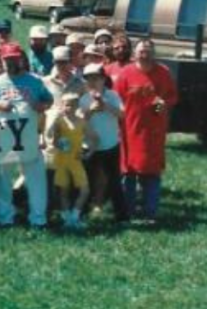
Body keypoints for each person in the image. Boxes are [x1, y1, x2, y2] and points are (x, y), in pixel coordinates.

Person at [0, 43, 54, 228]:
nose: (11, 62)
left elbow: (49, 100)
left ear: (20, 59)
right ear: (2, 60)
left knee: (36, 179)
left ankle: (38, 219)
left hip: (29, 138)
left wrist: (40, 105)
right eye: (7, 59)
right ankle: (5, 218)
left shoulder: (34, 80)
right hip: (4, 139)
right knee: (2, 179)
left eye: (14, 59)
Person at [114, 39, 177, 223]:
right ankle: (128, 211)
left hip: (153, 133)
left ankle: (150, 213)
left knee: (152, 173)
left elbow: (172, 97)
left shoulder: (163, 73)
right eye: (141, 50)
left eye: (148, 50)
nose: (145, 54)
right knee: (129, 173)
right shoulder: (126, 74)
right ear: (135, 53)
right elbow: (116, 100)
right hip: (130, 130)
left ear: (154, 53)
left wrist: (161, 105)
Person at [79, 63, 127, 221]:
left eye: (96, 78)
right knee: (86, 182)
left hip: (110, 145)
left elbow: (122, 115)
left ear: (104, 79)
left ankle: (121, 215)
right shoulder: (83, 99)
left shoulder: (112, 95)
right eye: (89, 79)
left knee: (114, 181)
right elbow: (78, 122)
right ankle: (82, 213)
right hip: (89, 146)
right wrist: (91, 110)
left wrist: (105, 105)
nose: (93, 82)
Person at [45, 92, 98, 229]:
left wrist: (88, 153)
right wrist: (54, 124)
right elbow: (50, 138)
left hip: (75, 160)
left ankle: (75, 216)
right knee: (63, 191)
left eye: (72, 105)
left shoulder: (81, 122)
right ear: (61, 105)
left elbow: (94, 138)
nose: (69, 108)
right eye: (66, 105)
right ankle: (67, 219)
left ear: (77, 106)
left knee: (85, 190)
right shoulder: (59, 122)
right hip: (61, 160)